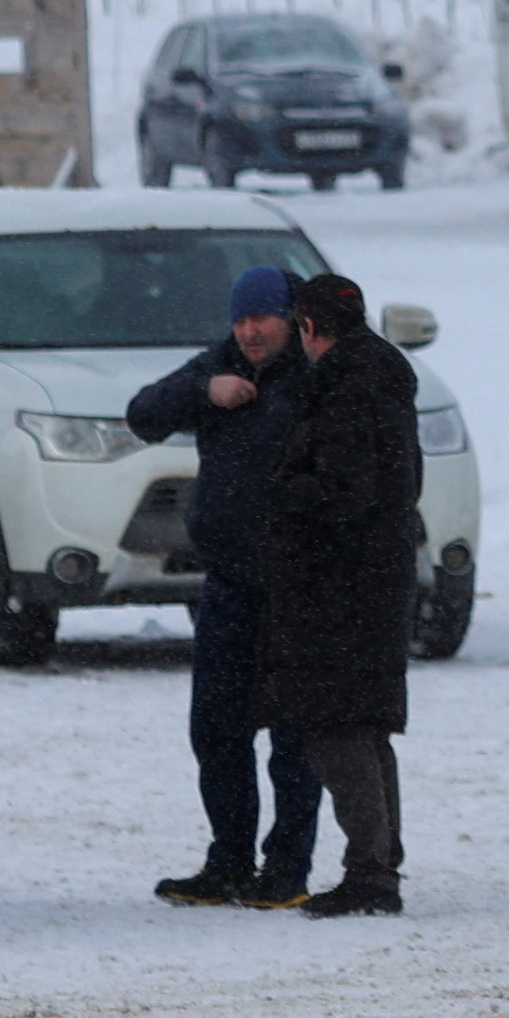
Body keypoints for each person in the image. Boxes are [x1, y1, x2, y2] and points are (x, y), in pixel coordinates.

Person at [126, 264, 328, 906]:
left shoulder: (319, 376)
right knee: (216, 730)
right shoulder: (217, 365)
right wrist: (203, 393)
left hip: (298, 587)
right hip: (228, 583)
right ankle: (228, 861)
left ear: (292, 320)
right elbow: (142, 415)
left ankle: (287, 868)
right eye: (240, 320)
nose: (249, 332)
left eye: (261, 319)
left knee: (294, 737)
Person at [256, 271, 424, 918]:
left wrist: (280, 493)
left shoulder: (345, 390)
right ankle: (378, 863)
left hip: (338, 588)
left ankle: (371, 871)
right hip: (372, 580)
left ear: (307, 327)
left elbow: (343, 493)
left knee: (336, 725)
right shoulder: (381, 378)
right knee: (365, 725)